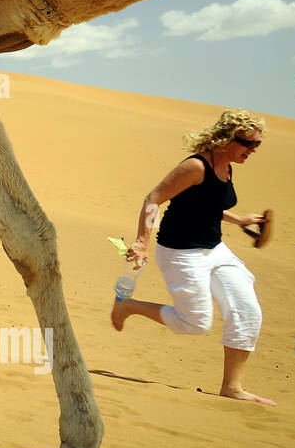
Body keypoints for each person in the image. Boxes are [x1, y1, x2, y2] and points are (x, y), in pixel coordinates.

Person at [113, 108, 273, 404]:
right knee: (196, 323)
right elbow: (154, 198)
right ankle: (128, 306)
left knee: (247, 309)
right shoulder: (197, 166)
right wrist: (142, 242)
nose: (251, 150)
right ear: (226, 137)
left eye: (256, 145)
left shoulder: (228, 166)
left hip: (214, 250)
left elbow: (204, 205)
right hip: (180, 253)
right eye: (246, 143)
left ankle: (232, 387)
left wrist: (238, 220)